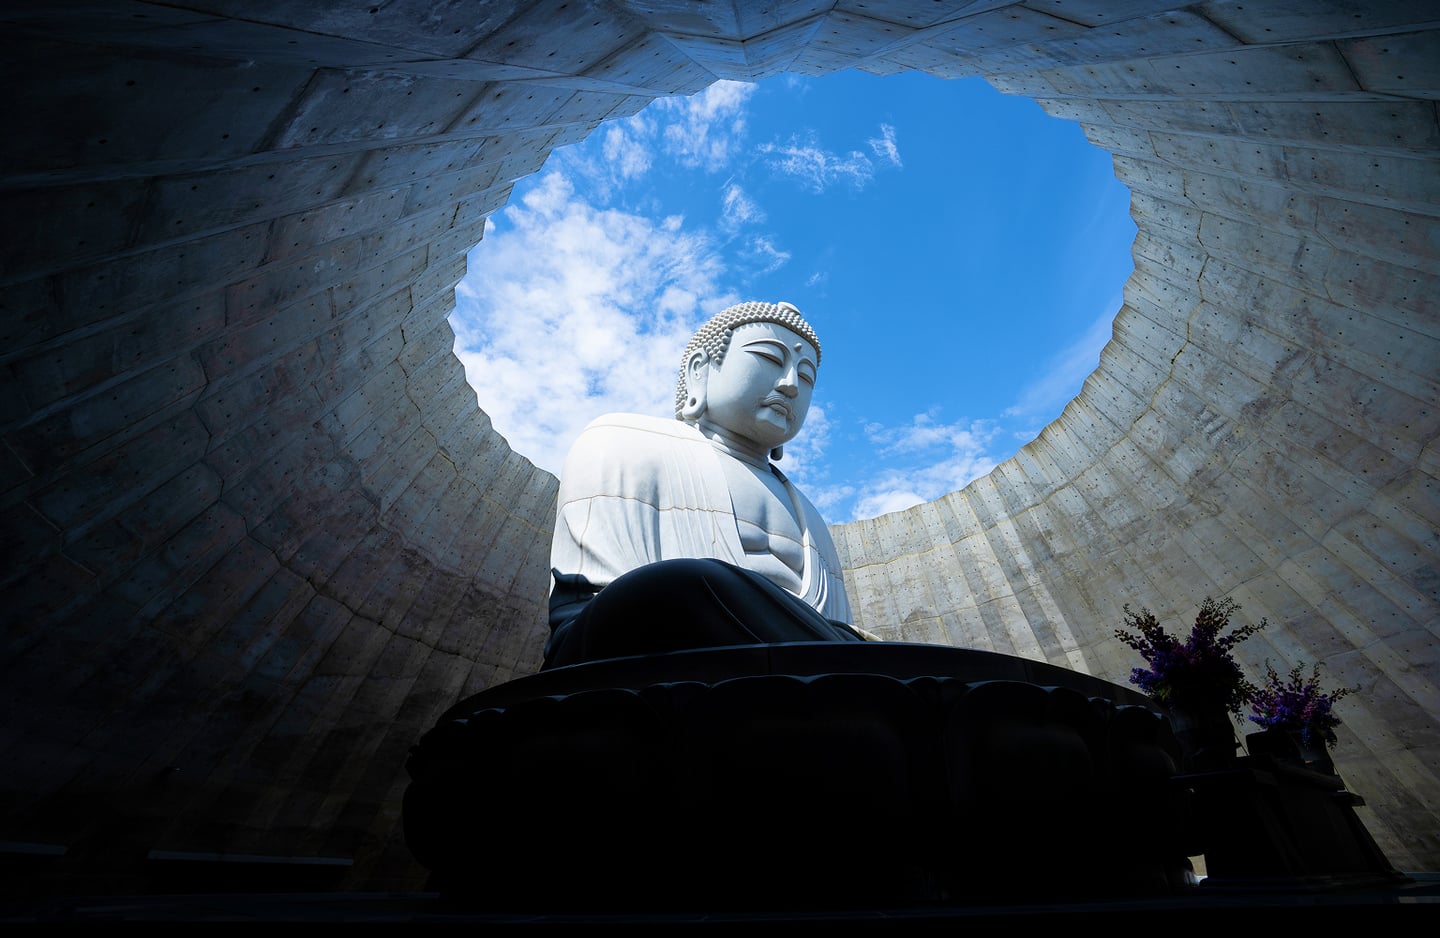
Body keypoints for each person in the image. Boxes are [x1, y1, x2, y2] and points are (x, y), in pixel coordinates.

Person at [542, 300, 875, 669]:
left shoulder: (809, 514)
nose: (791, 385)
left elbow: (838, 629)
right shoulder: (623, 439)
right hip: (648, 648)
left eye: (807, 376)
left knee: (867, 654)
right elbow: (595, 600)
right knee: (684, 583)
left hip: (808, 672)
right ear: (700, 370)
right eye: (769, 357)